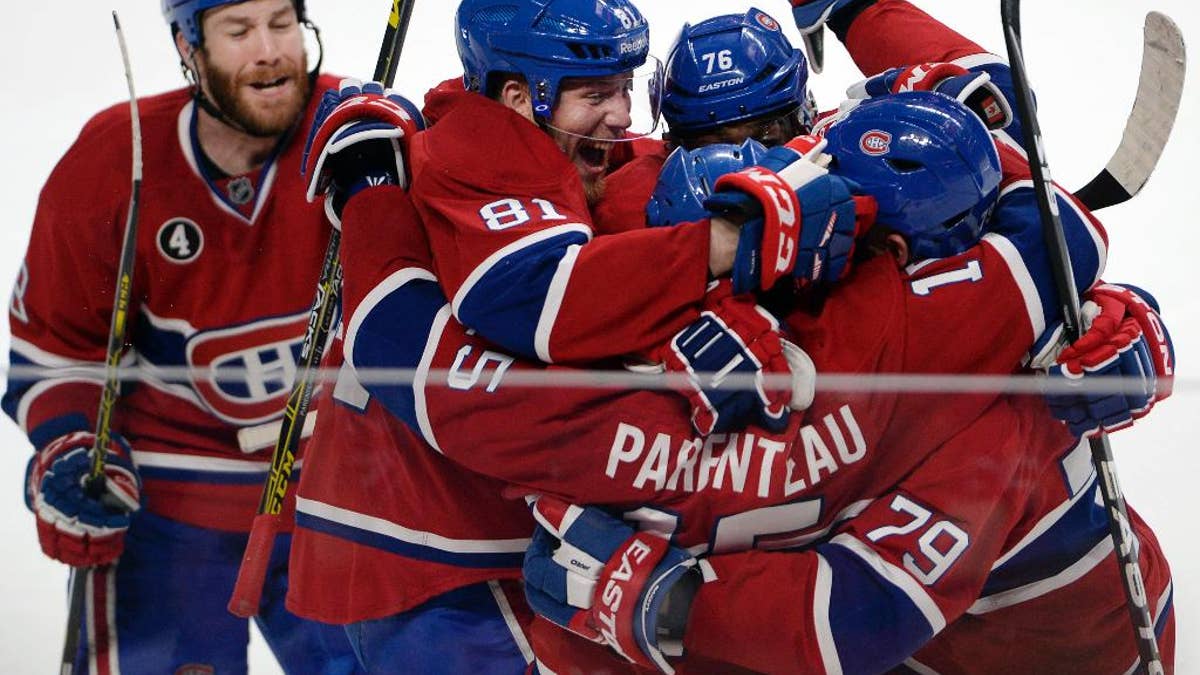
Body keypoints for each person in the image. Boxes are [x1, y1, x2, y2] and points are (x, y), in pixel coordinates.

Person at [335, 92, 1173, 673]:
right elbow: (1053, 219)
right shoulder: (969, 332)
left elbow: (401, 347)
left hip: (1044, 650)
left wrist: (374, 183)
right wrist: (1109, 312)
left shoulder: (607, 426)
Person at [3, 0, 364, 671]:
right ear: (187, 46)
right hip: (168, 509)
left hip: (337, 501)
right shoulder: (112, 160)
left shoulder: (358, 135)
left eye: (282, 22)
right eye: (238, 31)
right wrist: (74, 444)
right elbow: (55, 347)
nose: (268, 51)